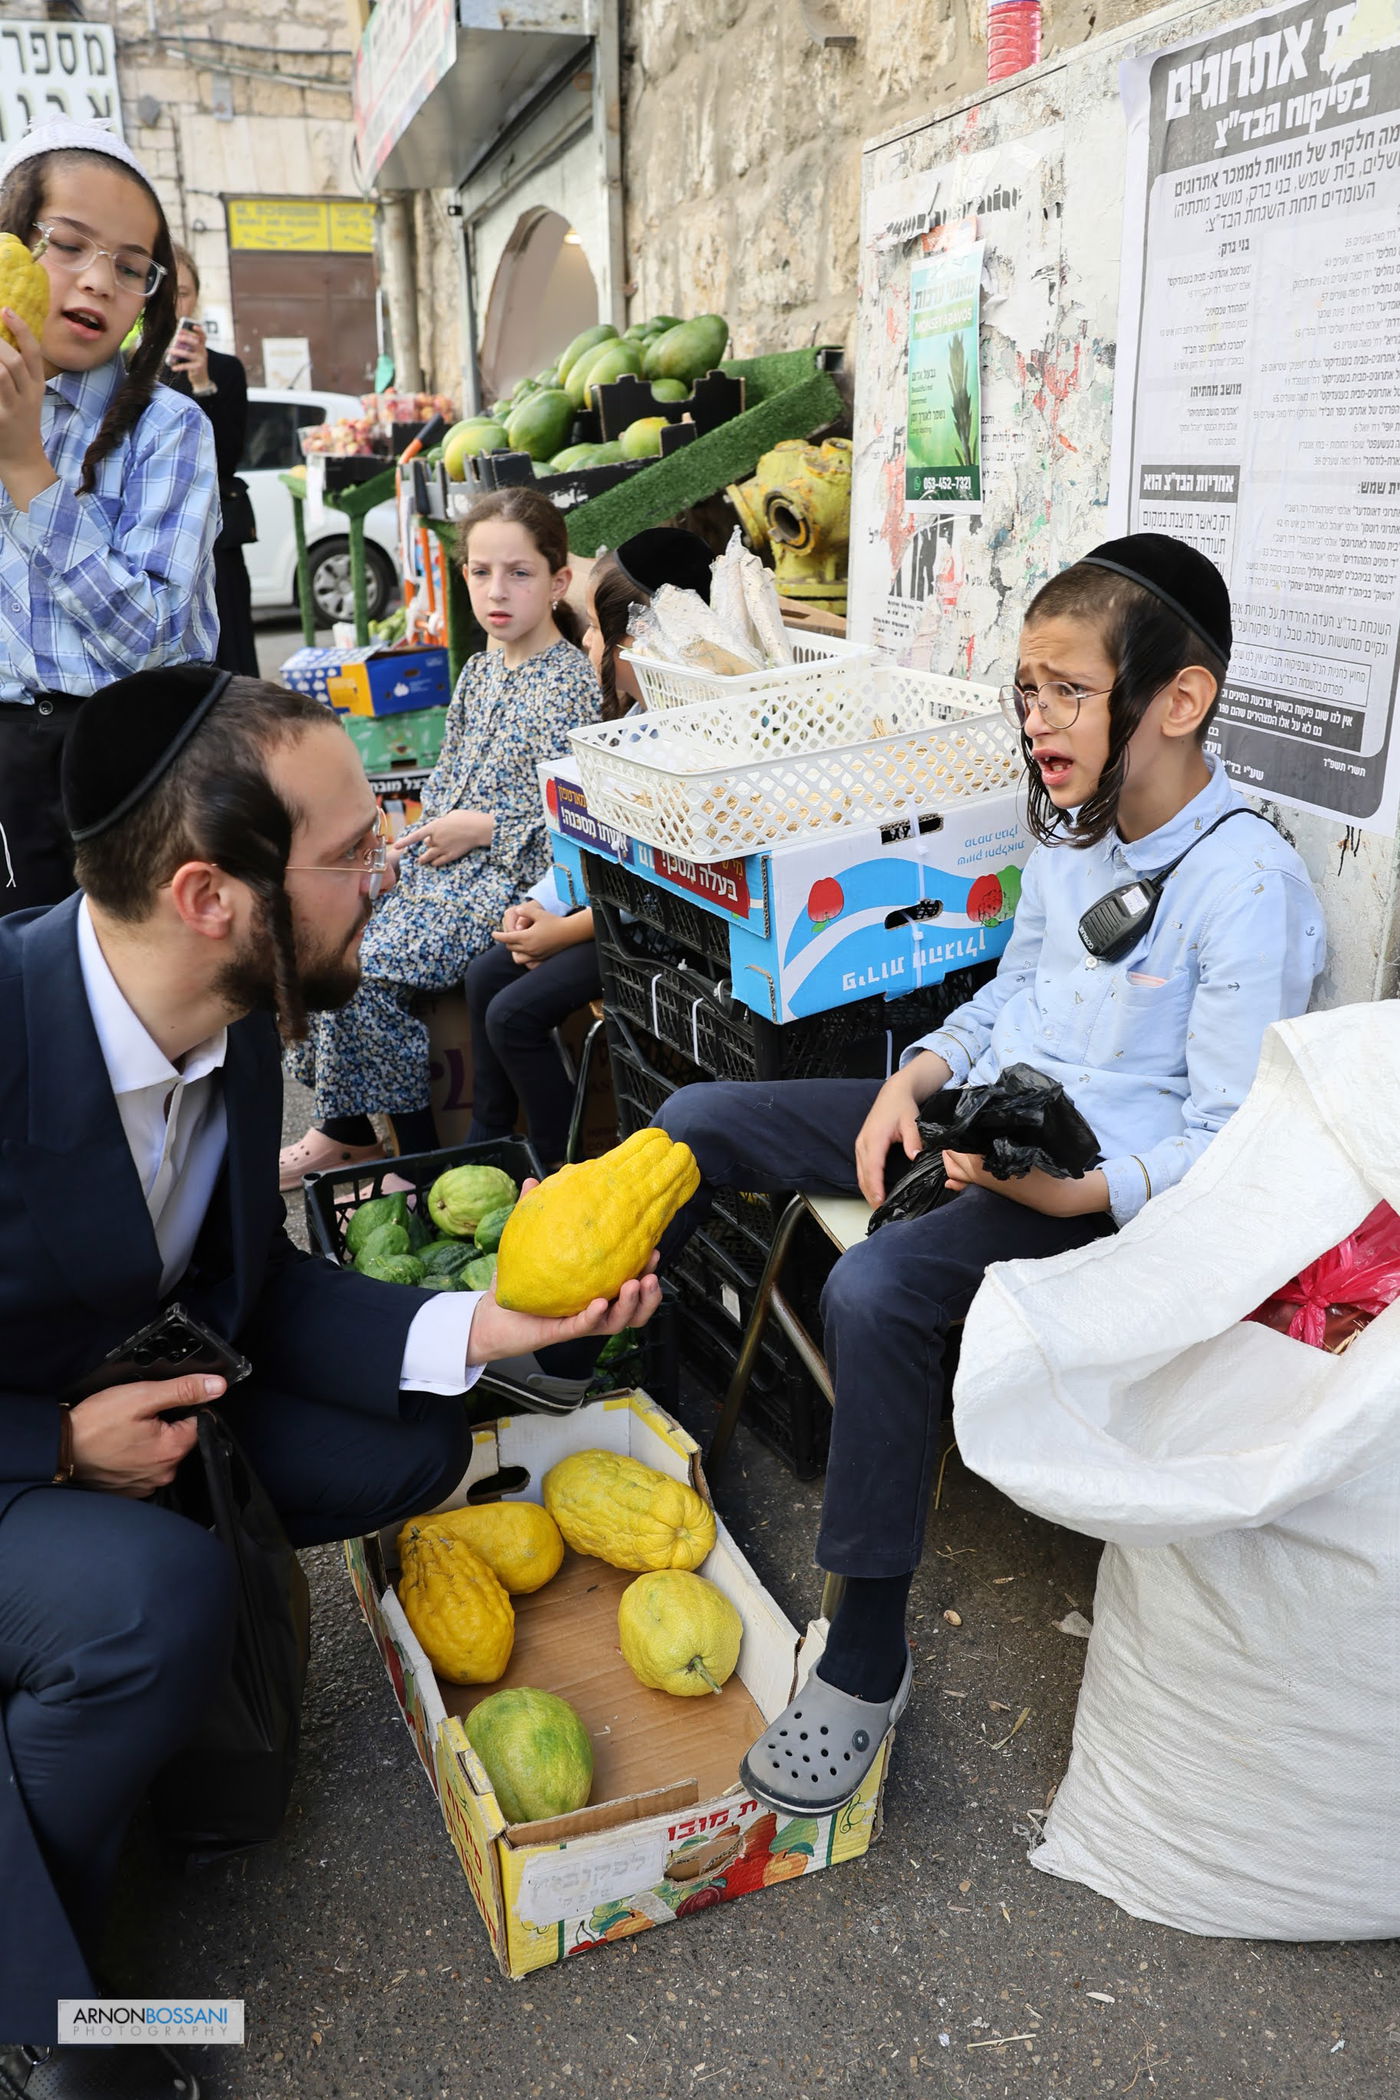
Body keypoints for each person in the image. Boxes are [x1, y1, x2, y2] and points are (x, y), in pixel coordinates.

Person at [0, 666, 659, 2084]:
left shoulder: (234, 1014)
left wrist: (489, 1330)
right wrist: (53, 1446)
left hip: (140, 1397)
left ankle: (119, 1710)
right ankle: (59, 2024)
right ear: (206, 894)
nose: (390, 865)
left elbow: (261, 1286)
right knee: (149, 1603)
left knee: (419, 1450)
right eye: (353, 849)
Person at [655, 533, 1327, 1817]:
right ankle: (618, 1380)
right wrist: (915, 1079)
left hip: (1084, 1204)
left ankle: (861, 1659)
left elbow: (1225, 1142)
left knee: (875, 1294)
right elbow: (1010, 991)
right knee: (697, 1117)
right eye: (1027, 690)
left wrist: (1074, 1195)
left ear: (1176, 700)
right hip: (974, 1124)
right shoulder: (1074, 835)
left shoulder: (1244, 885)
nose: (1036, 722)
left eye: (1065, 691)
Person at [278, 487, 599, 1188]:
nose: (497, 591)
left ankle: (417, 1155)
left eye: (519, 573)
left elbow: (575, 824)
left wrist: (479, 828)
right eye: (481, 573)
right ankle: (350, 1130)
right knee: (317, 935)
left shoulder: (571, 684)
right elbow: (447, 787)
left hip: (502, 887)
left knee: (363, 974)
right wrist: (401, 845)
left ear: (558, 581)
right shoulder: (481, 671)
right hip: (436, 872)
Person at [0, 120, 219, 918]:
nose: (98, 281)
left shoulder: (167, 429)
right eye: (69, 245)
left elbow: (155, 641)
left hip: (140, 759)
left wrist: (27, 465)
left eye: (131, 267)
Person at [464, 527, 715, 1166]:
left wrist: (563, 931)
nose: (587, 640)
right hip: (599, 914)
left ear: (642, 646)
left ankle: (555, 1163)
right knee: (483, 975)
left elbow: (654, 888)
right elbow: (587, 844)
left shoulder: (686, 742)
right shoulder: (631, 722)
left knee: (511, 1018)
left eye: (600, 633)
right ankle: (486, 1144)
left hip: (654, 935)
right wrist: (536, 904)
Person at [166, 244, 258, 676]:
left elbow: (227, 457)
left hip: (216, 539)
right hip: (159, 541)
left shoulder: (226, 370)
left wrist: (202, 383)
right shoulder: (130, 370)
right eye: (164, 288)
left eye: (183, 291)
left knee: (233, 661)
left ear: (196, 298)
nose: (173, 301)